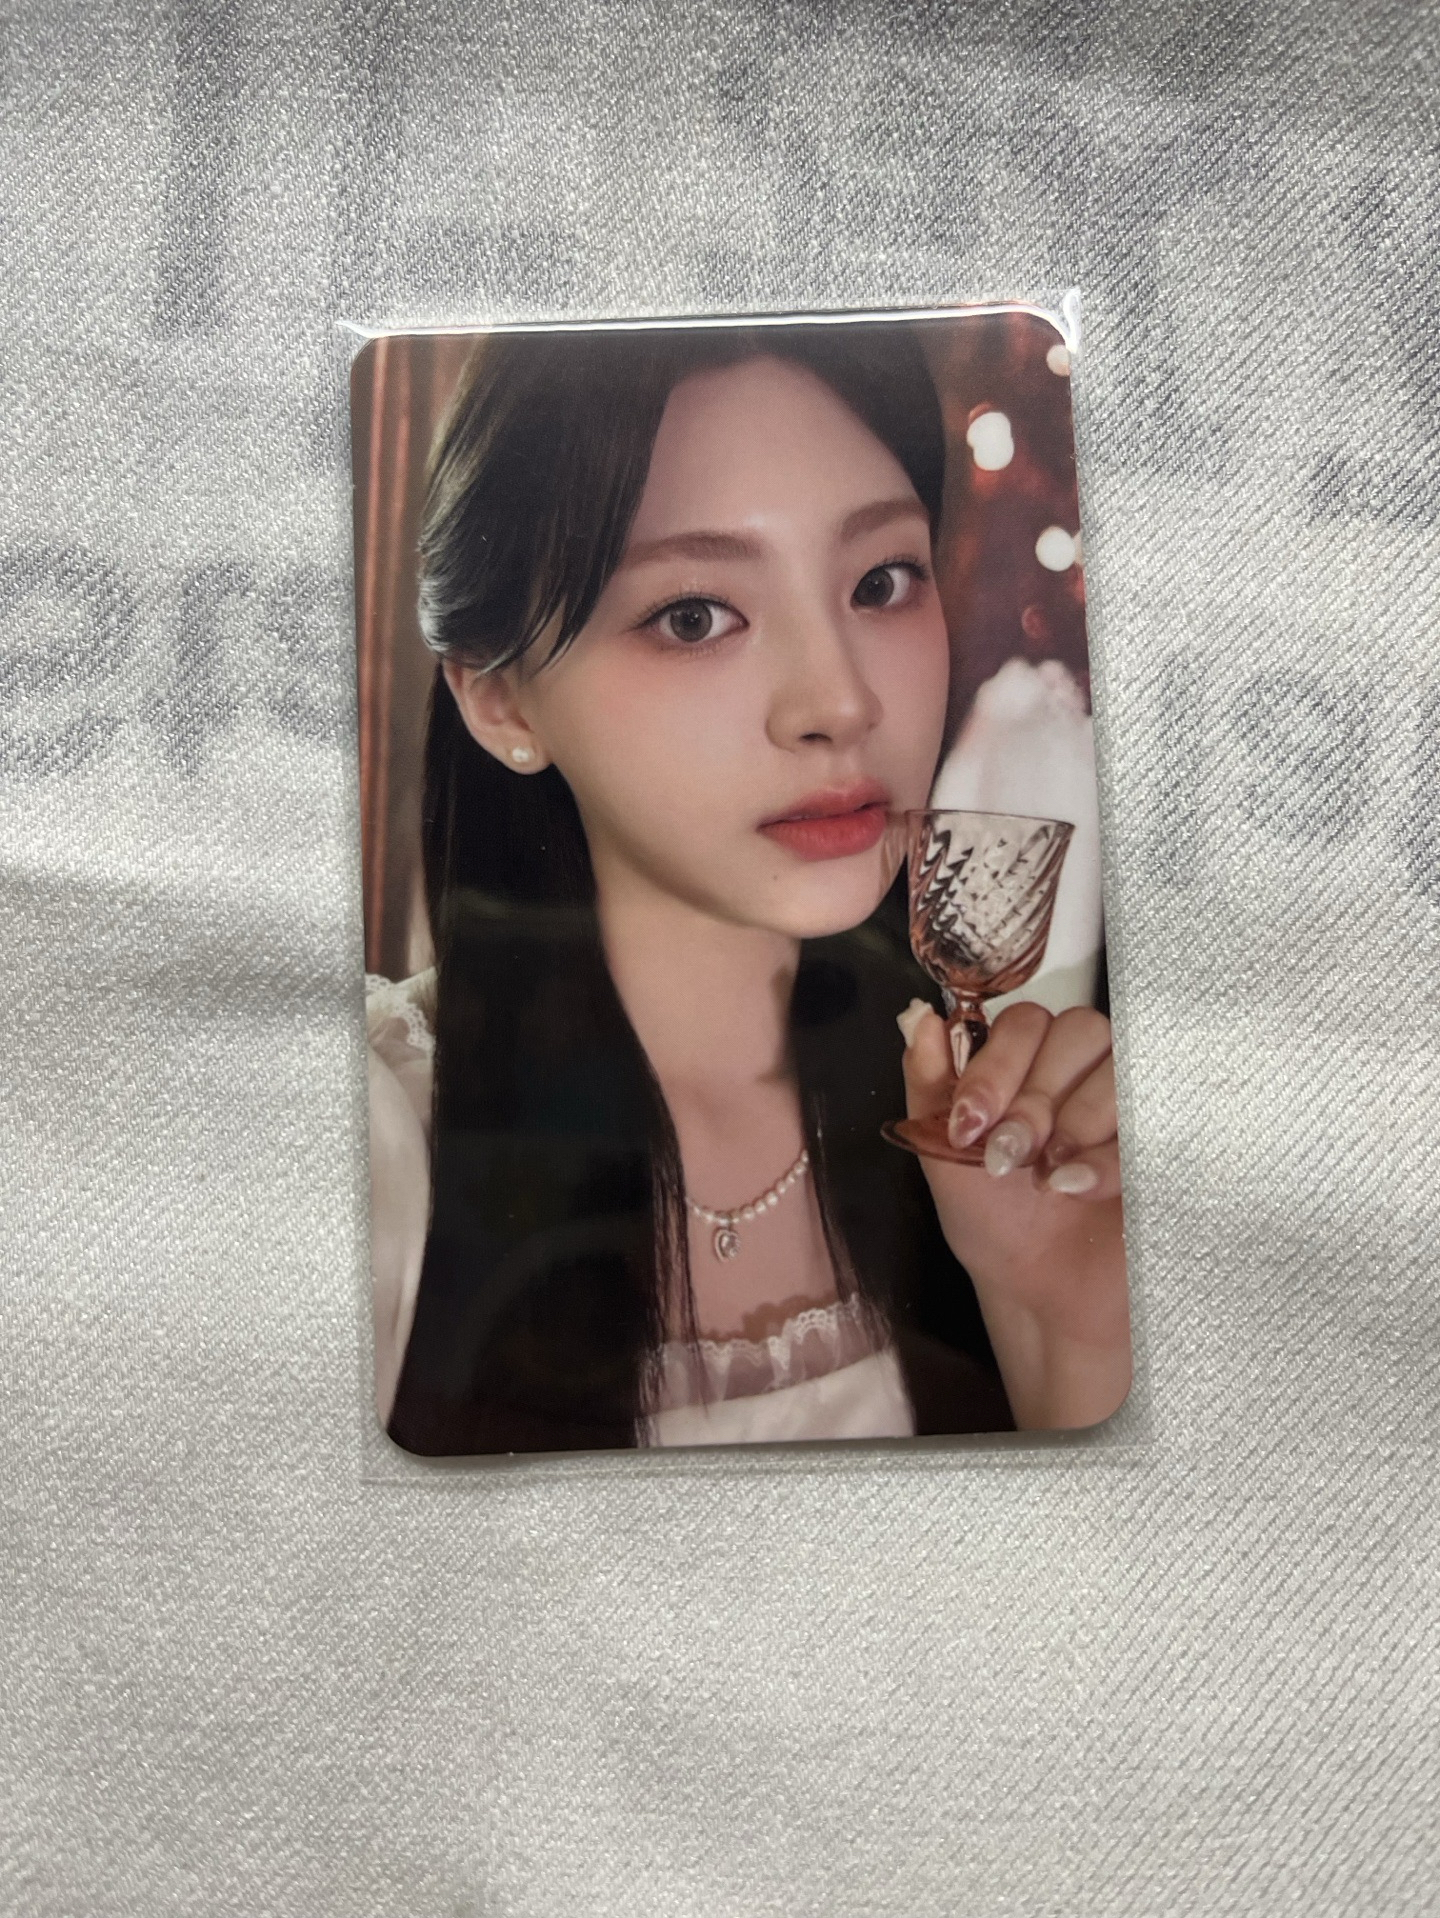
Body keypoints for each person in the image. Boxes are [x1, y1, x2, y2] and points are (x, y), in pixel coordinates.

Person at [367, 321, 1131, 1455]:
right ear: (500, 698)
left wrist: (1064, 1320)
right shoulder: (376, 1150)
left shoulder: (1001, 1125)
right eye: (694, 616)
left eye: (880, 582)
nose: (841, 703)